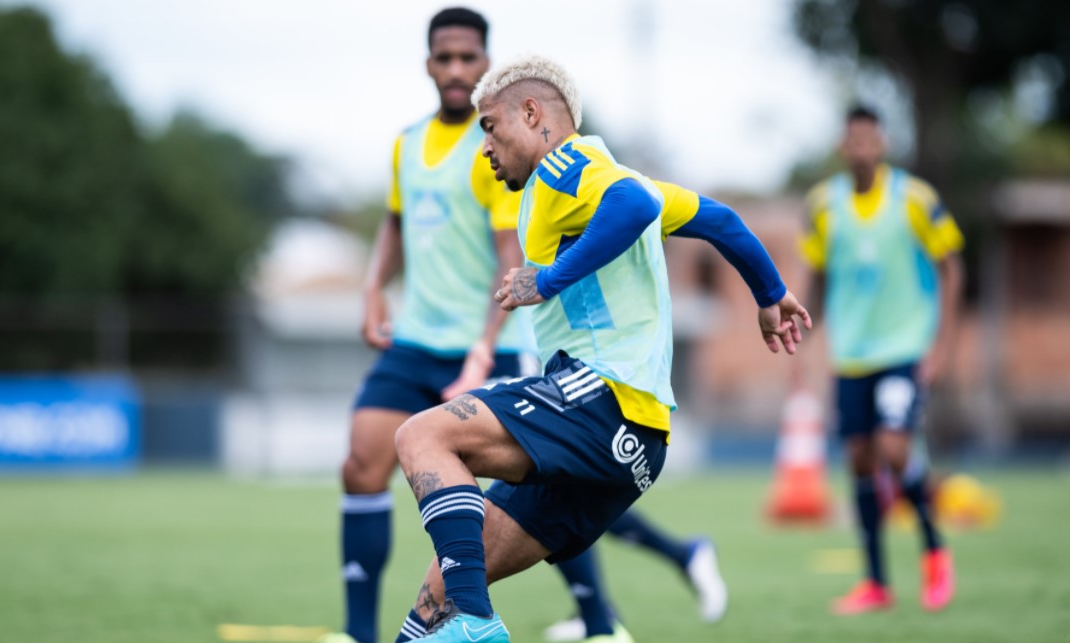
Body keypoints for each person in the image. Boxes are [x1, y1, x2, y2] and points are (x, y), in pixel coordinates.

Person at [325, 10, 718, 643]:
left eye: (466, 58)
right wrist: (372, 287)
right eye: (443, 58)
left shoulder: (528, 159)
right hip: (420, 339)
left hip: (509, 346)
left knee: (488, 459)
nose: (455, 69)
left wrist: (501, 328)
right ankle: (368, 631)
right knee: (368, 472)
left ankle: (587, 621)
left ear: (488, 67)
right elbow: (395, 224)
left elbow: (528, 251)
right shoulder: (409, 144)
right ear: (428, 65)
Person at [388, 54, 809, 643]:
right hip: (636, 439)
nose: (484, 146)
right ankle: (463, 617)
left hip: (603, 398)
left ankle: (475, 622)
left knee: (421, 436)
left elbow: (634, 208)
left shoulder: (567, 164)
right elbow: (718, 218)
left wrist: (548, 278)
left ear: (533, 114)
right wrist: (771, 292)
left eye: (490, 127)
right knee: (435, 600)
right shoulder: (600, 179)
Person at [796, 105, 963, 615]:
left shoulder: (914, 198)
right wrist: (802, 335)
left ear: (882, 143)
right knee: (860, 462)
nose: (862, 148)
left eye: (870, 138)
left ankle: (935, 551)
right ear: (843, 147)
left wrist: (941, 347)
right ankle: (875, 583)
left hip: (903, 350)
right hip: (850, 356)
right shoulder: (823, 205)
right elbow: (818, 276)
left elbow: (952, 267)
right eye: (854, 140)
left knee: (894, 448)